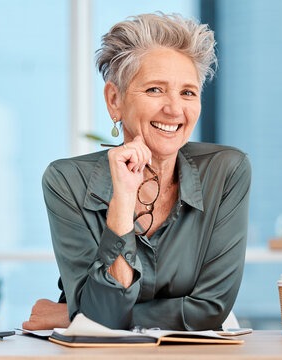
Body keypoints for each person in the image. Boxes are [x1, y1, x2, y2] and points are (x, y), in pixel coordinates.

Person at [22, 12, 251, 331]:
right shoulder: (67, 182)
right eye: (155, 90)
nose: (174, 109)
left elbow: (211, 308)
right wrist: (122, 202)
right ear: (114, 100)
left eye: (187, 92)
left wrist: (73, 315)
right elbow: (104, 314)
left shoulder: (226, 171)